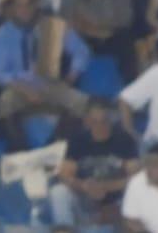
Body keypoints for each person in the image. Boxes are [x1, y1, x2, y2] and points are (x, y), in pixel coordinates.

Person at [0, 0, 90, 150]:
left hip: (50, 83)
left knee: (81, 102)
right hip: (19, 87)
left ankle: (55, 146)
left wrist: (71, 75)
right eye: (19, 5)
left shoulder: (53, 27)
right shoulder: (3, 34)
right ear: (11, 8)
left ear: (36, 5)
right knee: (5, 103)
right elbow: (0, 73)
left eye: (29, 4)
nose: (24, 10)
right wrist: (25, 89)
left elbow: (82, 52)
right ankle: (20, 150)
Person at [49, 98, 139, 230]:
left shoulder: (124, 140)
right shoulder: (78, 140)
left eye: (104, 121)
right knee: (58, 192)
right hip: (85, 199)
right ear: (87, 122)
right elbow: (65, 174)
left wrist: (106, 187)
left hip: (117, 200)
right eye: (95, 122)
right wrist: (84, 186)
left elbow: (135, 177)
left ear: (110, 120)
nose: (100, 126)